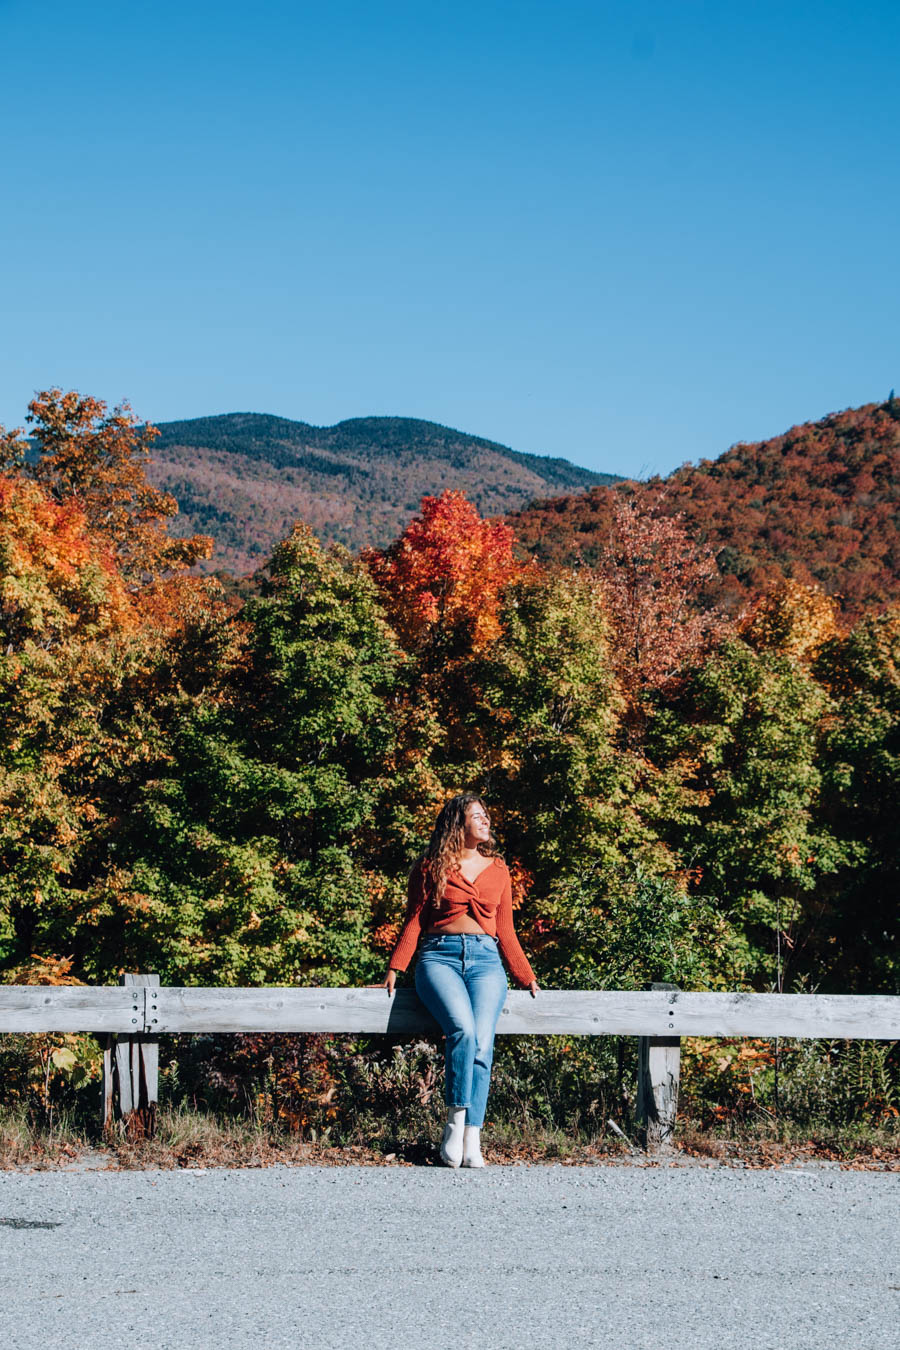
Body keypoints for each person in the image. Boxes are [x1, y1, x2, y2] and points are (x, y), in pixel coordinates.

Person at [382, 793, 539, 1168]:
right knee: (463, 1032)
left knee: (483, 1043)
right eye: (477, 816)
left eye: (486, 815)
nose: (486, 822)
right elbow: (415, 920)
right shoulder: (429, 866)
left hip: (486, 961)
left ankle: (473, 1134)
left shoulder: (499, 870)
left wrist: (525, 974)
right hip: (439, 957)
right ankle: (454, 1124)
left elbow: (506, 930)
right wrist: (395, 968)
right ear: (458, 824)